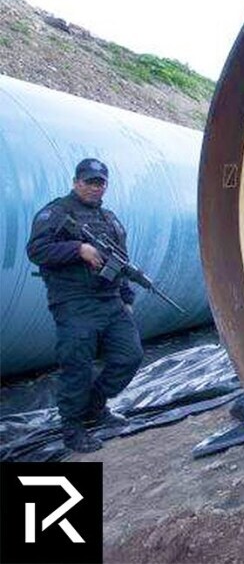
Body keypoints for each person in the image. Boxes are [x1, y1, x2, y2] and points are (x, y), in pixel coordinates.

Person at [26, 158, 143, 453]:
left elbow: (120, 262)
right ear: (76, 182)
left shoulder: (110, 219)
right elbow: (36, 250)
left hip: (110, 301)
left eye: (100, 182)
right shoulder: (56, 212)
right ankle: (73, 429)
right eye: (89, 181)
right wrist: (78, 249)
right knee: (77, 366)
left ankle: (94, 406)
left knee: (129, 356)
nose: (95, 187)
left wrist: (127, 298)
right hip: (74, 302)